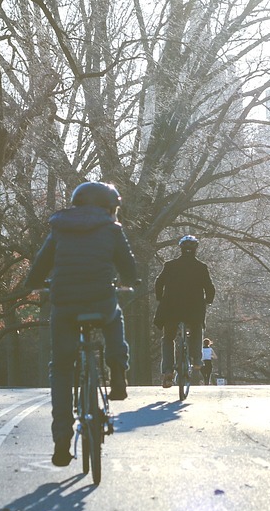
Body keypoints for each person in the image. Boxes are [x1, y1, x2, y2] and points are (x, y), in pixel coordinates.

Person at [21, 181, 138, 467]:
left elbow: (42, 262)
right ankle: (118, 372)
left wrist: (34, 284)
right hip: (100, 299)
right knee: (115, 317)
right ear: (109, 208)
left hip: (65, 304)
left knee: (61, 367)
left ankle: (62, 438)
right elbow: (128, 266)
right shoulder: (112, 229)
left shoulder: (60, 227)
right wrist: (130, 281)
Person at [154, 235, 216, 387]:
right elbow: (210, 288)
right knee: (197, 329)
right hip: (194, 310)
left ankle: (168, 370)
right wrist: (208, 300)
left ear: (181, 249)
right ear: (195, 250)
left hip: (171, 309)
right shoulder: (201, 267)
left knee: (168, 338)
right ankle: (196, 359)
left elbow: (159, 283)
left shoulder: (170, 266)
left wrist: (160, 297)